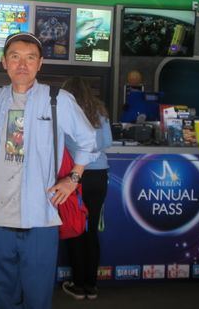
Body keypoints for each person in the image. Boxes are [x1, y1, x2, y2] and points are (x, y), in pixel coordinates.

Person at [0, 33, 98, 309]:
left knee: (38, 297)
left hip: (40, 217)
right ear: (4, 62)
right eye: (15, 57)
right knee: (3, 295)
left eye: (30, 58)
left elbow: (88, 140)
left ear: (40, 63)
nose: (22, 64)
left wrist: (73, 178)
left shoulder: (57, 100)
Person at [60, 76, 113, 300]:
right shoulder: (99, 111)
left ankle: (78, 285)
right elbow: (107, 141)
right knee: (91, 231)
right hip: (99, 175)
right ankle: (91, 286)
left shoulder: (66, 112)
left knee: (76, 228)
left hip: (76, 176)